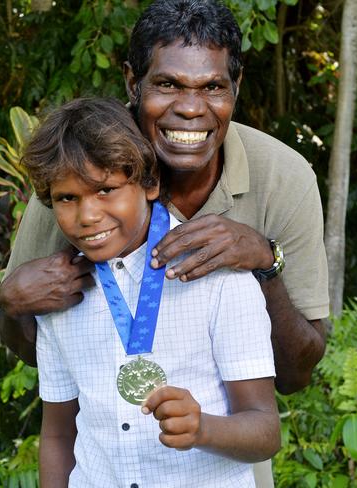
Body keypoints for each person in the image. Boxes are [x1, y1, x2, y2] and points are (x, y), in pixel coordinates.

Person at [0, 1, 329, 485]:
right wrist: (10, 303)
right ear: (134, 83)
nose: (191, 108)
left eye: (213, 87)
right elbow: (48, 353)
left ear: (235, 87)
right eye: (168, 84)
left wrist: (264, 261)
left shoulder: (284, 176)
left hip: (221, 460)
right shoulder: (79, 173)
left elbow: (295, 377)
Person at [26, 97, 280, 488]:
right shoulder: (58, 294)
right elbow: (59, 435)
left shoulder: (219, 279)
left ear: (150, 183)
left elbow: (265, 431)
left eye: (106, 190)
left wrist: (203, 429)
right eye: (67, 198)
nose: (87, 216)